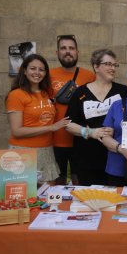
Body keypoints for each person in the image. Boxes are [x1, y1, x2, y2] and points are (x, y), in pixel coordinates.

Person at [65, 49, 127, 186]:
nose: (112, 68)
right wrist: (91, 132)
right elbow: (68, 124)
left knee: (115, 201)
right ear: (96, 66)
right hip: (87, 159)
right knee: (90, 200)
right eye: (108, 64)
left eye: (114, 65)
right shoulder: (80, 92)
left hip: (116, 159)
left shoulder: (123, 91)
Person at [6, 54, 71, 184]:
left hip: (47, 151)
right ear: (24, 71)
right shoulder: (16, 95)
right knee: (23, 200)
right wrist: (52, 127)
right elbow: (17, 131)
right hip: (23, 152)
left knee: (47, 198)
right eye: (33, 68)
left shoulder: (46, 93)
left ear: (45, 73)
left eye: (41, 69)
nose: (37, 72)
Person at [50, 35, 95, 185]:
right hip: (55, 140)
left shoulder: (89, 76)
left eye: (71, 48)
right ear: (57, 53)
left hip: (81, 139)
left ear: (77, 52)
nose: (67, 51)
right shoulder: (48, 75)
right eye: (63, 48)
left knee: (80, 181)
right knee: (58, 182)